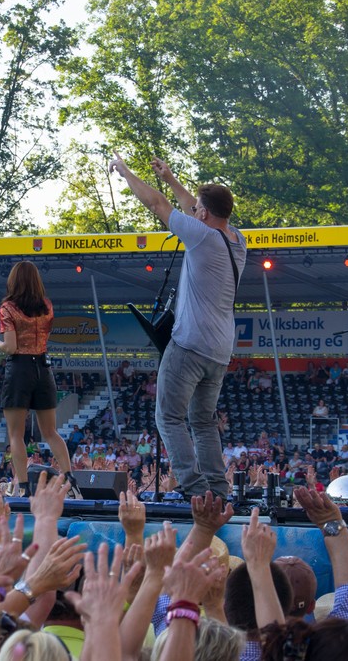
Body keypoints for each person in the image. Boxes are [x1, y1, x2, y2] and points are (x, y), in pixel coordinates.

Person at [110, 154, 246, 498]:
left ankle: (195, 488)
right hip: (220, 350)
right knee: (202, 422)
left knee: (168, 418)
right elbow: (193, 208)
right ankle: (217, 490)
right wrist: (170, 178)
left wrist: (125, 172)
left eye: (198, 209)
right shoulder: (237, 240)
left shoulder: (202, 238)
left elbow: (157, 204)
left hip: (189, 345)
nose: (193, 211)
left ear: (204, 215)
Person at [0, 261, 78, 497]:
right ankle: (71, 481)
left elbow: (11, 347)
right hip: (43, 369)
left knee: (16, 434)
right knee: (51, 432)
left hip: (19, 369)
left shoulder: (8, 308)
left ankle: (24, 488)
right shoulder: (47, 306)